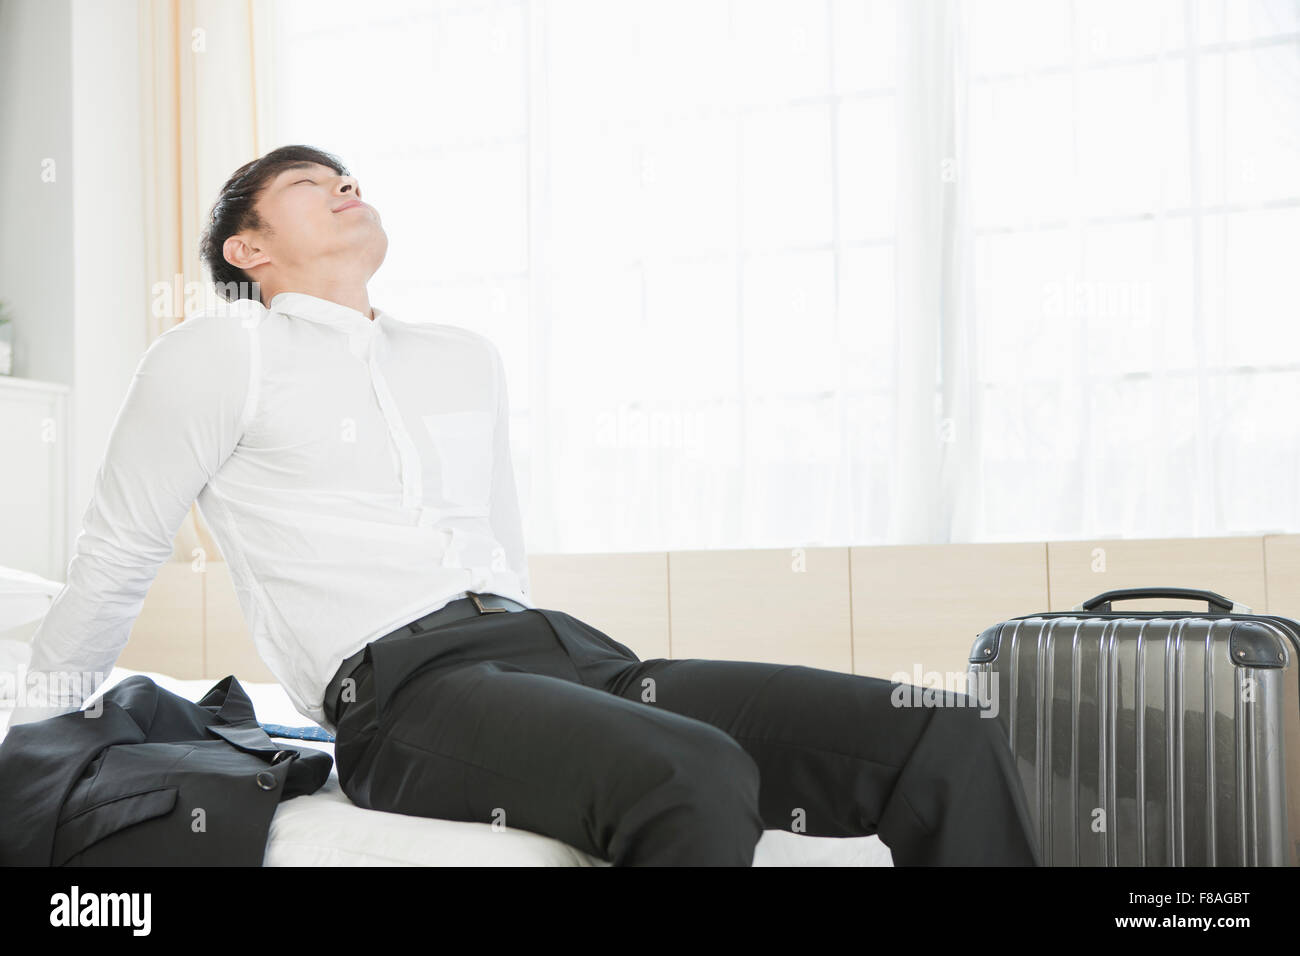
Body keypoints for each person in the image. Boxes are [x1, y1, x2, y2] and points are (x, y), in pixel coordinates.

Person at [13, 144, 1041, 867]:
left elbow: (497, 543)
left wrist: (570, 704)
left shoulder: (462, 358)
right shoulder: (217, 351)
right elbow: (117, 550)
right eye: (305, 181)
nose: (342, 185)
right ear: (247, 250)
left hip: (564, 652)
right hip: (404, 693)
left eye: (348, 176)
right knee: (692, 769)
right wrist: (29, 739)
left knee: (938, 733)